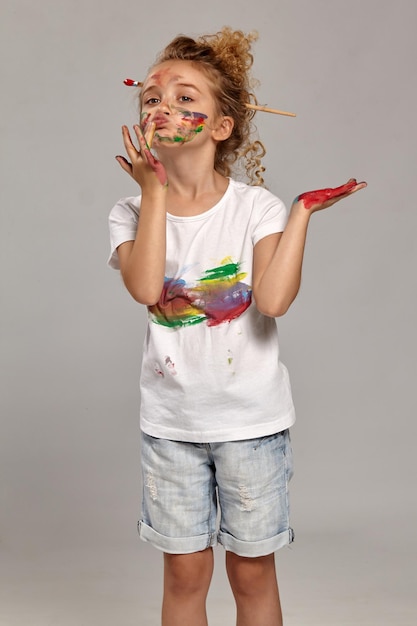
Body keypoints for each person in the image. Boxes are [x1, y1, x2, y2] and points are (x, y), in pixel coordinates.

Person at [108, 27, 366, 626]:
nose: (163, 106)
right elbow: (147, 290)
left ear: (222, 126)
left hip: (252, 425)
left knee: (251, 573)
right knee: (184, 575)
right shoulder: (128, 212)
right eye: (152, 98)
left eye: (184, 98)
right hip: (171, 426)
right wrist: (152, 192)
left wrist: (300, 212)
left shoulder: (257, 208)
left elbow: (272, 301)